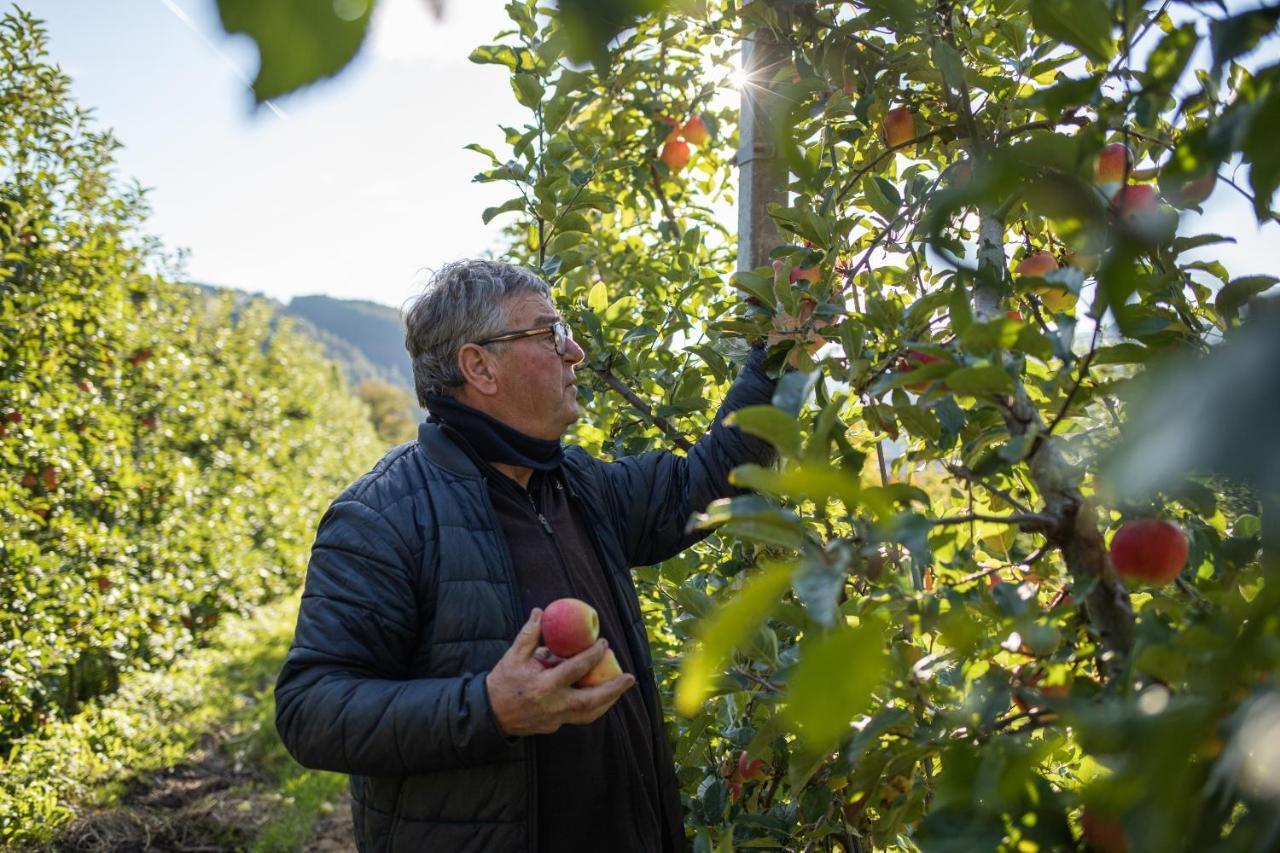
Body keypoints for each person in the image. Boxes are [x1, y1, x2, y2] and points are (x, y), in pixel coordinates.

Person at [275, 259, 780, 852]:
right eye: (549, 332)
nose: (575, 351)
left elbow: (703, 483)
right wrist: (487, 708)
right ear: (480, 366)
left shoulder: (572, 483)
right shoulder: (385, 515)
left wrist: (777, 353)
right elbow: (310, 710)